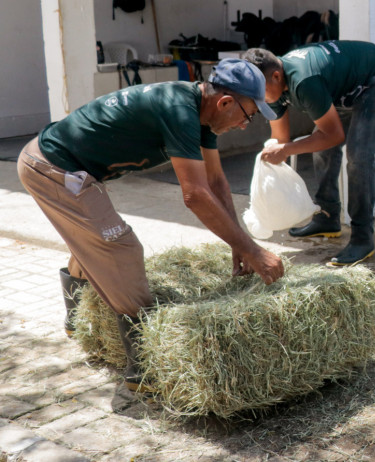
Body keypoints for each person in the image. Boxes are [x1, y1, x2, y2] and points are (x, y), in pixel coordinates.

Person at [17, 58, 285, 392]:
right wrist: (254, 251)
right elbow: (196, 196)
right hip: (52, 166)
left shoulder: (202, 114)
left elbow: (216, 183)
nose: (245, 125)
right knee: (120, 247)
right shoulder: (179, 109)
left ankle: (78, 320)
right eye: (248, 115)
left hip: (69, 168)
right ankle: (144, 364)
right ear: (226, 102)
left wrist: (240, 243)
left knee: (94, 235)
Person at [243, 41, 375, 267]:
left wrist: (285, 150)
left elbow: (333, 136)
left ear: (277, 76)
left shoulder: (304, 81)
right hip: (346, 86)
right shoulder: (272, 87)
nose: (260, 100)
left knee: (359, 157)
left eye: (261, 93)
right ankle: (327, 217)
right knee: (321, 148)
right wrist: (268, 173)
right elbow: (281, 140)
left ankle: (362, 238)